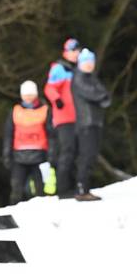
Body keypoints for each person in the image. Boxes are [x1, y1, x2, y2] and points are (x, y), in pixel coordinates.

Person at [2, 80, 53, 204]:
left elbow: (52, 135)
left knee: (41, 190)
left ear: (35, 94)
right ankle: (14, 215)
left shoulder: (45, 110)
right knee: (16, 190)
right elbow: (8, 134)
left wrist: (52, 154)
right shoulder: (15, 111)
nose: (28, 97)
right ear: (21, 95)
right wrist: (6, 155)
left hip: (40, 157)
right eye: (26, 94)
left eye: (31, 94)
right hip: (19, 157)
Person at [71, 49, 111, 201]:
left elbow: (104, 93)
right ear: (81, 63)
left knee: (92, 156)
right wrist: (101, 96)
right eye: (86, 62)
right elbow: (95, 93)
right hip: (85, 123)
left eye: (91, 62)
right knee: (86, 156)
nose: (89, 65)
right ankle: (81, 189)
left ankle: (85, 188)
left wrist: (102, 96)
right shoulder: (79, 78)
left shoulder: (92, 78)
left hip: (95, 122)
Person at [44, 38, 81, 198]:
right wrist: (57, 99)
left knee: (76, 152)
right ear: (65, 52)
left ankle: (74, 186)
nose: (75, 54)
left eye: (77, 51)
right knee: (67, 151)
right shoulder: (60, 68)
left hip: (79, 117)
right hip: (64, 118)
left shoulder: (79, 69)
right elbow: (49, 88)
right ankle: (63, 189)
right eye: (72, 51)